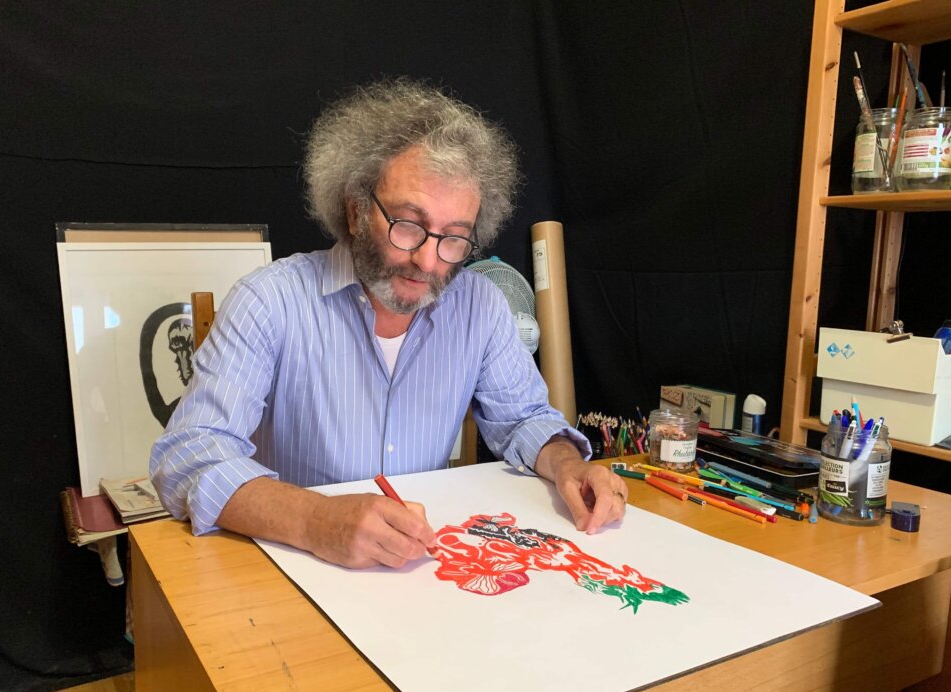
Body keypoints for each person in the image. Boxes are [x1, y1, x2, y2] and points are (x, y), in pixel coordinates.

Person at [150, 78, 627, 569]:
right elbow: (189, 456)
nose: (427, 260)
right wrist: (315, 520)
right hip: (293, 571)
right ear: (356, 209)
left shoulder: (480, 306)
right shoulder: (270, 301)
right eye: (408, 224)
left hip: (417, 575)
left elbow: (525, 419)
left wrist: (568, 465)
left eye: (455, 238)